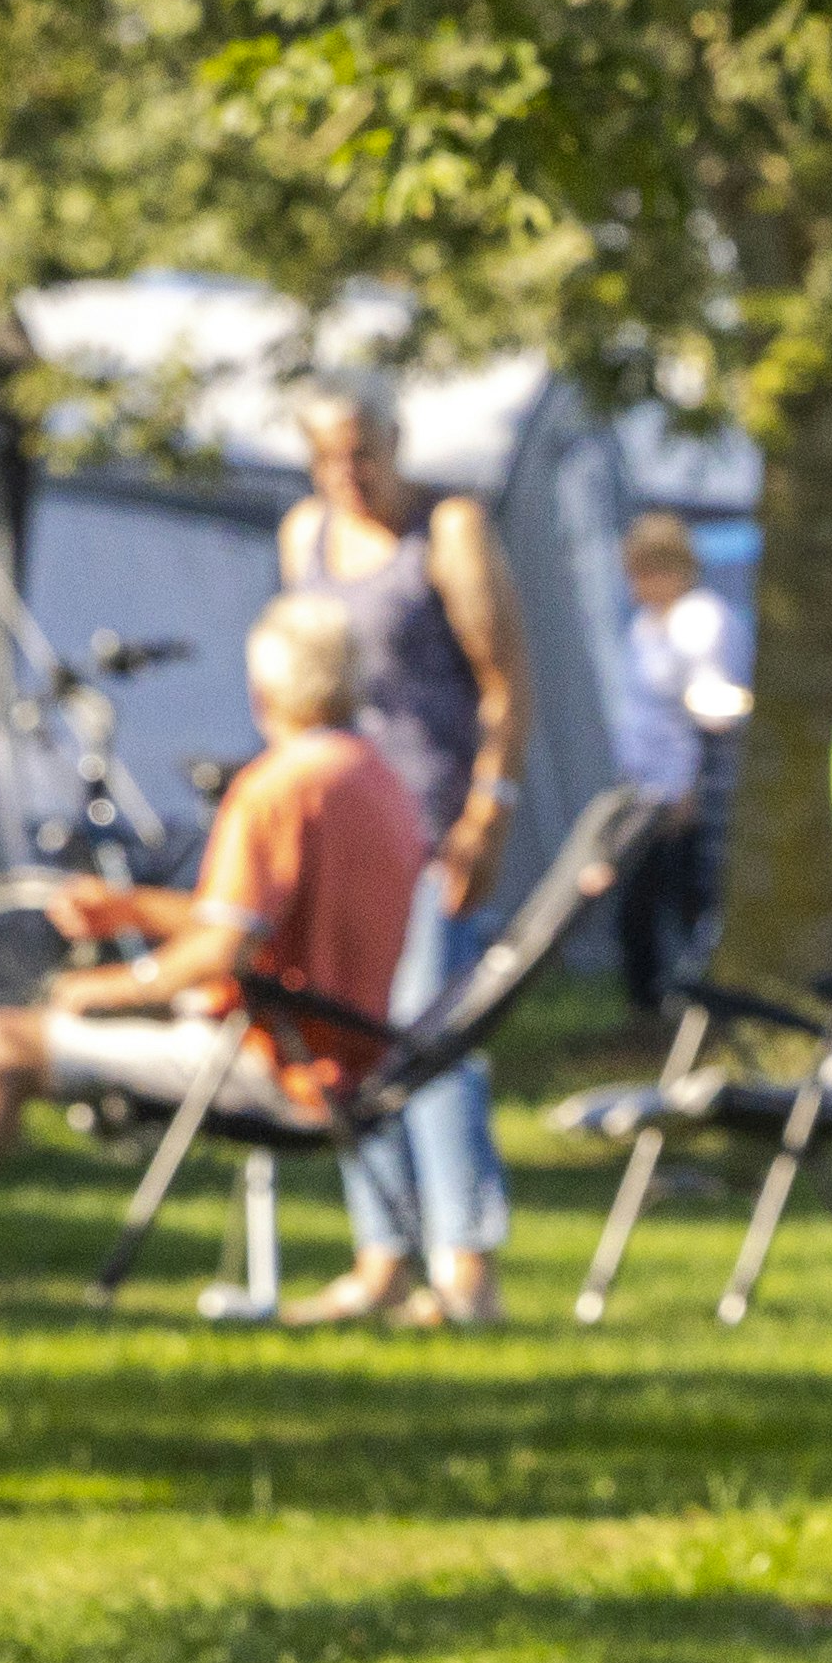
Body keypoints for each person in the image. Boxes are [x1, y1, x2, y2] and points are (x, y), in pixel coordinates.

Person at [0, 592, 420, 1292]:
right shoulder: (377, 780)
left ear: (264, 689)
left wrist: (111, 987)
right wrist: (130, 910)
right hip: (346, 1048)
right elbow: (260, 919)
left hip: (272, 1058)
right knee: (25, 1041)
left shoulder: (275, 788)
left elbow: (225, 949)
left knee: (2, 1042)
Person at [280, 372, 529, 1327]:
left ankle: (465, 1269)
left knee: (430, 1034)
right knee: (349, 1038)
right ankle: (381, 1256)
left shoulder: (448, 530)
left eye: (362, 451)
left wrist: (488, 810)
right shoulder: (304, 536)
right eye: (326, 455)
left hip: (431, 822)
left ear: (393, 443)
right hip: (341, 829)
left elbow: (505, 680)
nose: (346, 471)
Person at [611, 507, 748, 1019]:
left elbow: (714, 713)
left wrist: (689, 791)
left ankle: (700, 1003)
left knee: (688, 899)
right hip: (644, 788)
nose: (637, 584)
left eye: (645, 571)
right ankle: (654, 1006)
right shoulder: (644, 627)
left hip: (688, 791)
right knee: (642, 901)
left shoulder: (702, 620)